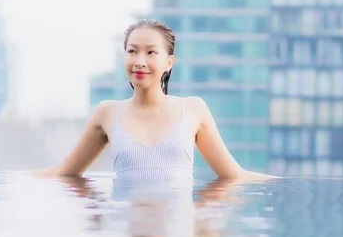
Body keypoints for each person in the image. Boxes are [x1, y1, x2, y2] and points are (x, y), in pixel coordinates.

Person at [35, 19, 277, 182]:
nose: (140, 61)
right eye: (132, 51)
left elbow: (233, 176)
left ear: (169, 62)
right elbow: (64, 174)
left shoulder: (193, 109)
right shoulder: (107, 113)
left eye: (151, 52)